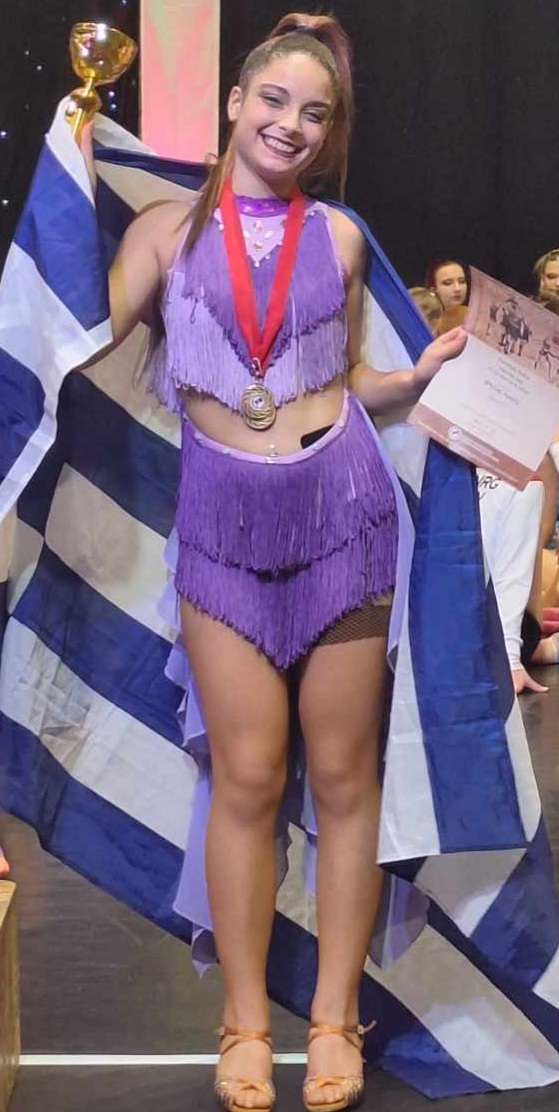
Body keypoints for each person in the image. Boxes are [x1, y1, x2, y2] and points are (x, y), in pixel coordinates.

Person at [79, 13, 465, 1111]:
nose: (291, 124)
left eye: (315, 112)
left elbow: (340, 379)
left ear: (328, 131)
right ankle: (244, 1024)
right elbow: (74, 333)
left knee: (344, 781)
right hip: (221, 529)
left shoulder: (338, 237)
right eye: (275, 101)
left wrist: (414, 378)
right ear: (234, 105)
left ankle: (335, 1020)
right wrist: (64, 172)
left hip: (344, 513)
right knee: (246, 779)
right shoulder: (162, 232)